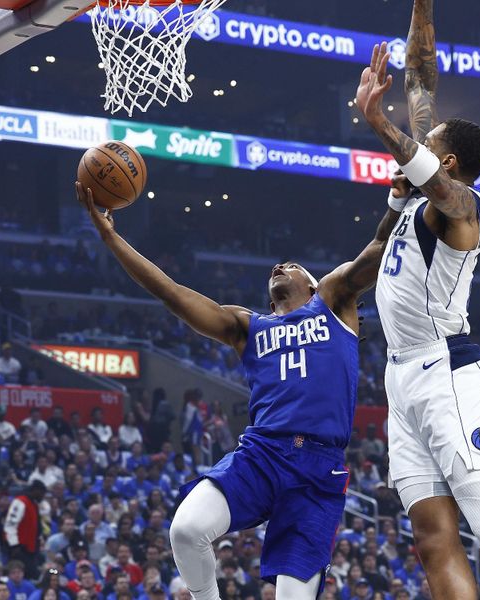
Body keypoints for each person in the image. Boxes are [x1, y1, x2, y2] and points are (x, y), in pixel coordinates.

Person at [76, 178, 401, 600]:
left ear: (313, 283)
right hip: (262, 454)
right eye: (275, 268)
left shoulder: (335, 302)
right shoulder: (247, 326)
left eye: (290, 264)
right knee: (186, 529)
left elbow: (379, 245)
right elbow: (170, 293)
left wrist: (399, 198)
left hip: (318, 471)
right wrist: (111, 238)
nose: (276, 268)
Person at [354, 2, 480, 597]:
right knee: (431, 537)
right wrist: (421, 6)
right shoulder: (421, 192)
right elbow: (420, 79)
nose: (420, 132)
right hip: (401, 377)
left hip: (449, 370)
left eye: (427, 142)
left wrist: (378, 124)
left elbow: (438, 182)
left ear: (446, 163)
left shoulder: (465, 208)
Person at [4, 481, 47, 579]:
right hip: (20, 549)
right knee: (28, 575)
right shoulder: (20, 501)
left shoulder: (33, 504)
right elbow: (10, 525)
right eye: (42, 493)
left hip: (31, 549)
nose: (43, 496)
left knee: (32, 575)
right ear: (36, 490)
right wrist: (14, 545)